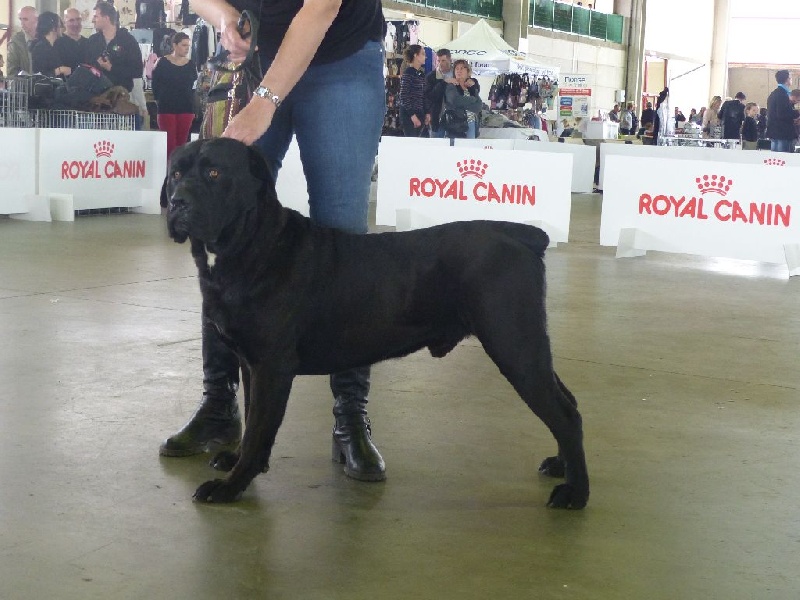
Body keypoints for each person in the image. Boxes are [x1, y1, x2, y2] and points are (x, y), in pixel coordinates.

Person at [160, 0, 388, 483]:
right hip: (260, 58)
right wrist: (223, 17)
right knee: (220, 225)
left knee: (342, 233)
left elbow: (321, 9)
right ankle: (220, 405)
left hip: (341, 58)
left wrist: (265, 101)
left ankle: (350, 413)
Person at [151, 32, 197, 158]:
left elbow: (193, 87)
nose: (187, 48)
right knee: (169, 146)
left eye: (188, 45)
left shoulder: (191, 64)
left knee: (182, 146)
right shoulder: (162, 63)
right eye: (184, 45)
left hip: (186, 108)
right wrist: (158, 101)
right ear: (175, 45)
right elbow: (155, 85)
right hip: (166, 108)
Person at [85, 2, 142, 92]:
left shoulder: (127, 41)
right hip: (96, 94)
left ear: (106, 18)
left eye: (96, 16)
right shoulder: (93, 41)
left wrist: (112, 68)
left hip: (120, 94)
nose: (93, 20)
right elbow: (86, 66)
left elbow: (137, 71)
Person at [443, 58, 482, 139]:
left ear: (468, 72)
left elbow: (479, 106)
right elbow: (455, 101)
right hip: (457, 125)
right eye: (456, 69)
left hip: (472, 123)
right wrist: (472, 100)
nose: (459, 71)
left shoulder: (471, 86)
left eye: (462, 68)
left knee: (470, 150)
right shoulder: (451, 85)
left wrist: (466, 102)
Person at [29, 12, 72, 78]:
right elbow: (39, 74)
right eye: (60, 26)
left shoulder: (59, 45)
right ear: (53, 28)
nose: (63, 29)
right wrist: (59, 70)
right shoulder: (40, 48)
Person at [766, 70, 800, 153]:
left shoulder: (773, 94)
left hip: (774, 132)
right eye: (790, 78)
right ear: (788, 79)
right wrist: (798, 112)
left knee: (775, 160)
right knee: (784, 160)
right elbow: (782, 114)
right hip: (783, 133)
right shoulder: (783, 94)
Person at [424, 48, 453, 138]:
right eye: (438, 60)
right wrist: (444, 82)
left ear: (450, 60)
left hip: (455, 118)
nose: (440, 63)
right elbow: (429, 96)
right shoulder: (431, 76)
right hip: (437, 117)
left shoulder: (457, 73)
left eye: (443, 60)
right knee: (436, 146)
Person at [398, 43, 427, 137]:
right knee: (411, 142)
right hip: (409, 115)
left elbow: (423, 95)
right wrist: (412, 115)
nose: (425, 57)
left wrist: (426, 112)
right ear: (415, 55)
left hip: (419, 113)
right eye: (422, 54)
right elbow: (403, 95)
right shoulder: (408, 73)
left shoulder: (421, 74)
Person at [54, 8, 88, 72]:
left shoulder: (88, 43)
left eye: (78, 19)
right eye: (71, 20)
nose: (76, 24)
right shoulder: (58, 42)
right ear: (64, 22)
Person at [7, 6, 37, 76]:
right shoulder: (16, 42)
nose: (22, 23)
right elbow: (11, 71)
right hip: (24, 84)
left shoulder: (45, 39)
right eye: (20, 19)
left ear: (36, 20)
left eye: (25, 19)